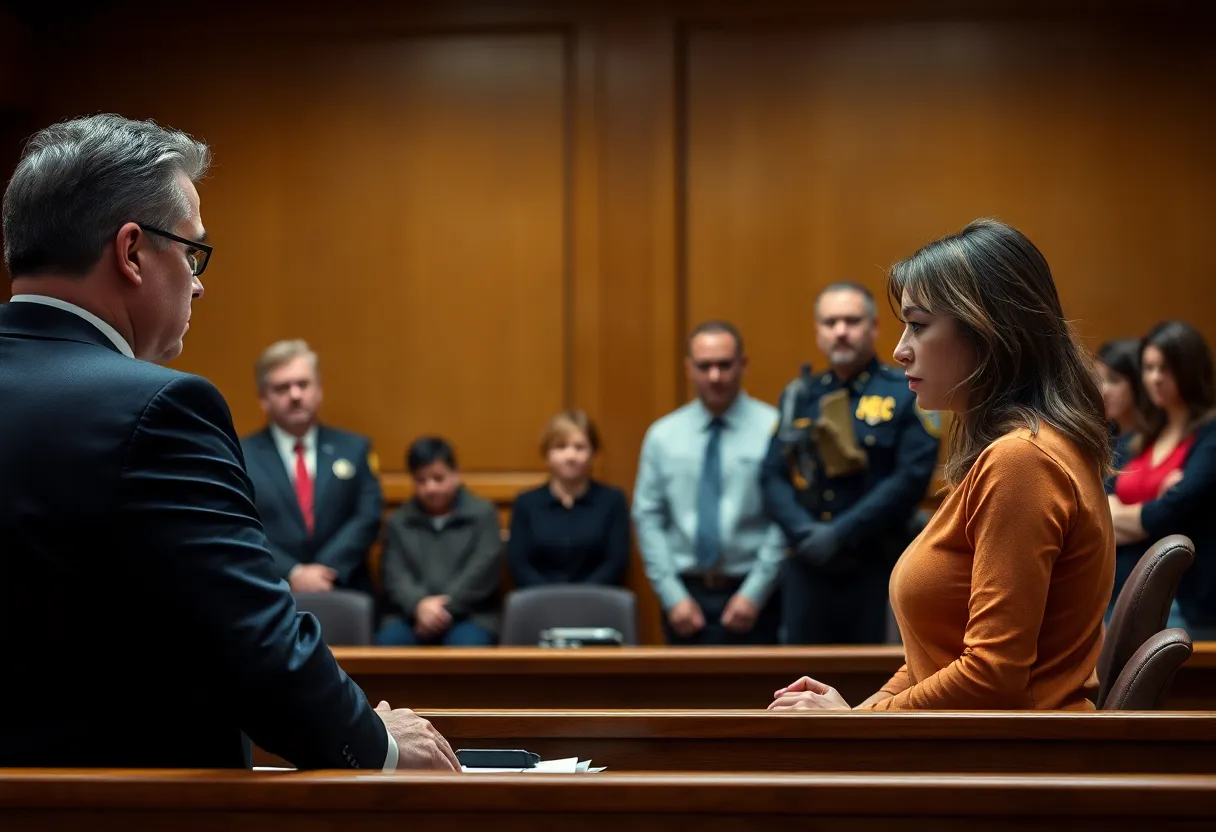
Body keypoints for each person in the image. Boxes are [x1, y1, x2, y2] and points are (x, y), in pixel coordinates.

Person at [0, 114, 457, 770]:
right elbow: (255, 646)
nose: (198, 281)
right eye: (191, 253)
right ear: (131, 252)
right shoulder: (160, 410)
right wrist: (379, 743)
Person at [769, 219, 1115, 711]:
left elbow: (991, 676)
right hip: (978, 749)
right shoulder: (1020, 451)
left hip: (1009, 766)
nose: (899, 348)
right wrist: (855, 717)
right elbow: (932, 658)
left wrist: (854, 725)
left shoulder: (1022, 461)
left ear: (986, 332)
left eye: (919, 325)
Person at [761, 283, 939, 644]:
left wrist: (838, 533)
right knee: (801, 683)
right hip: (808, 564)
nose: (840, 331)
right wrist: (804, 532)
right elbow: (771, 475)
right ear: (818, 332)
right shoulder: (800, 394)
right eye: (830, 322)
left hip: (876, 565)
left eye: (851, 321)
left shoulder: (907, 390)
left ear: (873, 328)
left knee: (874, 685)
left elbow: (911, 478)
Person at [633, 320, 785, 645]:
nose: (715, 376)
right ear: (689, 368)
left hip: (757, 594)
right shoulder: (663, 436)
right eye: (704, 366)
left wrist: (754, 593)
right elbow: (648, 517)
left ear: (742, 364)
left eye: (724, 365)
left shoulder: (774, 429)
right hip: (684, 595)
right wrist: (672, 596)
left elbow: (784, 519)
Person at [242, 339, 384, 597]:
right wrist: (293, 572)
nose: (295, 395)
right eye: (282, 388)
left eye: (303, 384)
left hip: (345, 586)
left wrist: (325, 570)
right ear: (263, 399)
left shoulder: (355, 448)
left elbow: (368, 516)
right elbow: (239, 524)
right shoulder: (241, 454)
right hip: (270, 590)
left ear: (318, 390)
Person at [1108, 321, 1216, 639]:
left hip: (1183, 599)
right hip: (1124, 589)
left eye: (1165, 369)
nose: (1155, 378)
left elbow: (1174, 510)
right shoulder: (1138, 439)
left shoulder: (1209, 437)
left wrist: (1130, 515)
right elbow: (1099, 507)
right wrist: (1156, 507)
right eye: (1149, 367)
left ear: (1189, 370)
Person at [377, 437, 503, 646]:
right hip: (410, 616)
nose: (431, 488)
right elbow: (394, 573)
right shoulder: (398, 521)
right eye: (421, 480)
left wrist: (443, 609)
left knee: (468, 647)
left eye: (438, 478)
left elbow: (484, 569)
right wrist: (419, 606)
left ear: (456, 474)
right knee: (390, 643)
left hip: (471, 616)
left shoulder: (483, 514)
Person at [508, 409, 630, 588]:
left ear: (593, 454)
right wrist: (552, 598)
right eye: (560, 447)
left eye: (580, 447)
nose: (570, 456)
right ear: (547, 454)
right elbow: (519, 564)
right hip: (539, 605)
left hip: (597, 603)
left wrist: (579, 598)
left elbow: (615, 562)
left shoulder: (613, 501)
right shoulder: (526, 503)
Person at [1095, 338, 1147, 476]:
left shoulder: (1150, 441)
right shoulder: (1100, 435)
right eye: (1098, 379)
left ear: (1137, 384)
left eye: (1114, 380)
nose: (1103, 390)